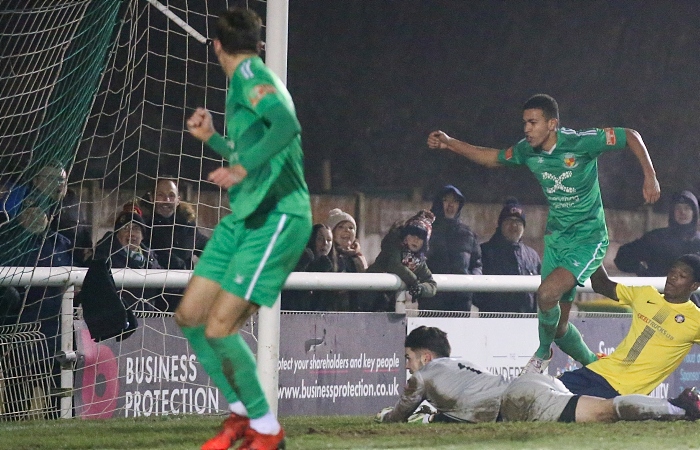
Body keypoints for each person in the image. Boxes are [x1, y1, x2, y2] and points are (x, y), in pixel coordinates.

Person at [427, 93, 661, 373]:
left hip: (588, 238)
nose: (526, 128)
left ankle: (541, 355)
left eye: (533, 122)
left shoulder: (581, 141)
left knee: (546, 294)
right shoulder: (527, 150)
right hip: (557, 238)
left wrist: (650, 175)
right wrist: (450, 143)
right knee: (562, 326)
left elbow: (630, 135)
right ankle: (598, 369)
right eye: (525, 122)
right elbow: (492, 158)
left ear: (552, 124)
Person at [174, 7, 311, 450]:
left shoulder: (252, 77)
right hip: (245, 217)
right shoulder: (245, 81)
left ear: (215, 46)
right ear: (258, 42)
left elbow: (287, 126)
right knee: (191, 316)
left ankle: (267, 431)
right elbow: (253, 144)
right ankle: (240, 413)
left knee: (219, 328)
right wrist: (214, 138)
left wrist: (241, 167)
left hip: (277, 216)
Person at [376, 326, 700, 424]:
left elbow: (399, 415)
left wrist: (386, 416)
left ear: (426, 356)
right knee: (605, 410)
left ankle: (678, 405)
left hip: (519, 400)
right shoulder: (461, 366)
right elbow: (463, 408)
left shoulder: (426, 374)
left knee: (605, 411)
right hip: (529, 387)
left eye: (408, 358)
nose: (407, 365)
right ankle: (679, 407)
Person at [559, 254, 700, 398]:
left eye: (682, 275)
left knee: (566, 408)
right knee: (543, 393)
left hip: (622, 391)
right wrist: (594, 251)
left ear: (694, 286)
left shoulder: (696, 320)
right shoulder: (646, 294)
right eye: (672, 272)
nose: (673, 278)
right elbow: (601, 285)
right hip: (597, 371)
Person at [473, 197, 541, 313]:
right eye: (509, 221)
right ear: (500, 225)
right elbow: (475, 290)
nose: (514, 226)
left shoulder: (532, 256)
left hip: (526, 322)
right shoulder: (485, 252)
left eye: (518, 222)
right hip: (494, 322)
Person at [614, 190, 700, 278]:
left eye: (687, 208)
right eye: (678, 208)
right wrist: (643, 272)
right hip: (658, 290)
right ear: (672, 212)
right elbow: (623, 256)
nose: (682, 212)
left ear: (694, 212)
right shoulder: (657, 238)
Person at [93, 204, 163, 311]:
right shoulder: (105, 257)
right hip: (117, 318)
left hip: (147, 319)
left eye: (136, 228)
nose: (131, 234)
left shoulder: (152, 258)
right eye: (125, 228)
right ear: (117, 234)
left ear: (143, 236)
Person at [365, 210, 438, 311]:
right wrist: (414, 282)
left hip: (389, 304)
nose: (415, 239)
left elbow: (432, 285)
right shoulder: (394, 246)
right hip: (369, 297)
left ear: (425, 242)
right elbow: (394, 265)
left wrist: (421, 289)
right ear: (405, 236)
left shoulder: (419, 262)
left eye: (420, 236)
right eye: (412, 234)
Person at [426, 185, 482, 311]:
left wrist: (471, 284)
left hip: (461, 303)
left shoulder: (468, 234)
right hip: (432, 302)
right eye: (446, 200)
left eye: (455, 201)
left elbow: (477, 264)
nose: (450, 205)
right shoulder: (426, 231)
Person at [141, 177, 209, 270]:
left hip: (182, 283)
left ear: (178, 200)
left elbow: (207, 247)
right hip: (152, 282)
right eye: (161, 195)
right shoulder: (143, 226)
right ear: (152, 198)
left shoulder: (187, 226)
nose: (167, 200)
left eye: (171, 195)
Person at [313, 208, 367, 311]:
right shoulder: (325, 256)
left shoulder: (358, 257)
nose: (347, 230)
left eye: (351, 228)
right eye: (341, 227)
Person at [280, 224, 333, 311]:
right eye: (320, 238)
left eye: (329, 240)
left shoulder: (331, 265)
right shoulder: (302, 259)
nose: (325, 243)